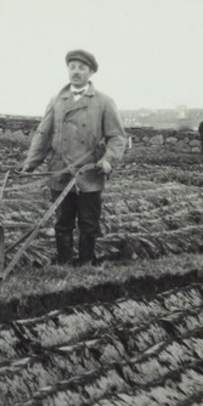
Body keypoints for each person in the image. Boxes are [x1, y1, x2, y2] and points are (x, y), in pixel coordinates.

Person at [20, 49, 128, 266]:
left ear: (91, 72)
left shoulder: (104, 102)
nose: (76, 72)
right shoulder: (56, 101)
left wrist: (108, 161)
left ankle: (86, 264)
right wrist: (30, 163)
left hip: (89, 172)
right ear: (67, 70)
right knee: (62, 222)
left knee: (89, 222)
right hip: (61, 170)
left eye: (82, 68)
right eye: (72, 67)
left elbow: (117, 137)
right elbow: (43, 134)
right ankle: (64, 265)